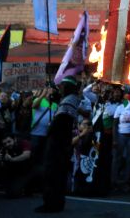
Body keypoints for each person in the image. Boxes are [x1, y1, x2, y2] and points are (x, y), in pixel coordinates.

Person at [36, 76, 81, 213]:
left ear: (68, 87)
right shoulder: (69, 99)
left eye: (62, 86)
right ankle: (57, 202)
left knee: (52, 174)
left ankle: (50, 204)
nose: (59, 88)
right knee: (58, 174)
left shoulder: (68, 101)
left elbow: (60, 122)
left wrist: (50, 128)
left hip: (58, 144)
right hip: (63, 143)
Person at [0, 133, 33, 198]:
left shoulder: (24, 143)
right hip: (14, 172)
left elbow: (27, 155)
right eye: (5, 143)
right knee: (11, 193)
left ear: (14, 139)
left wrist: (12, 159)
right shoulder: (4, 148)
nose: (7, 144)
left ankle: (28, 186)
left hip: (27, 170)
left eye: (9, 141)